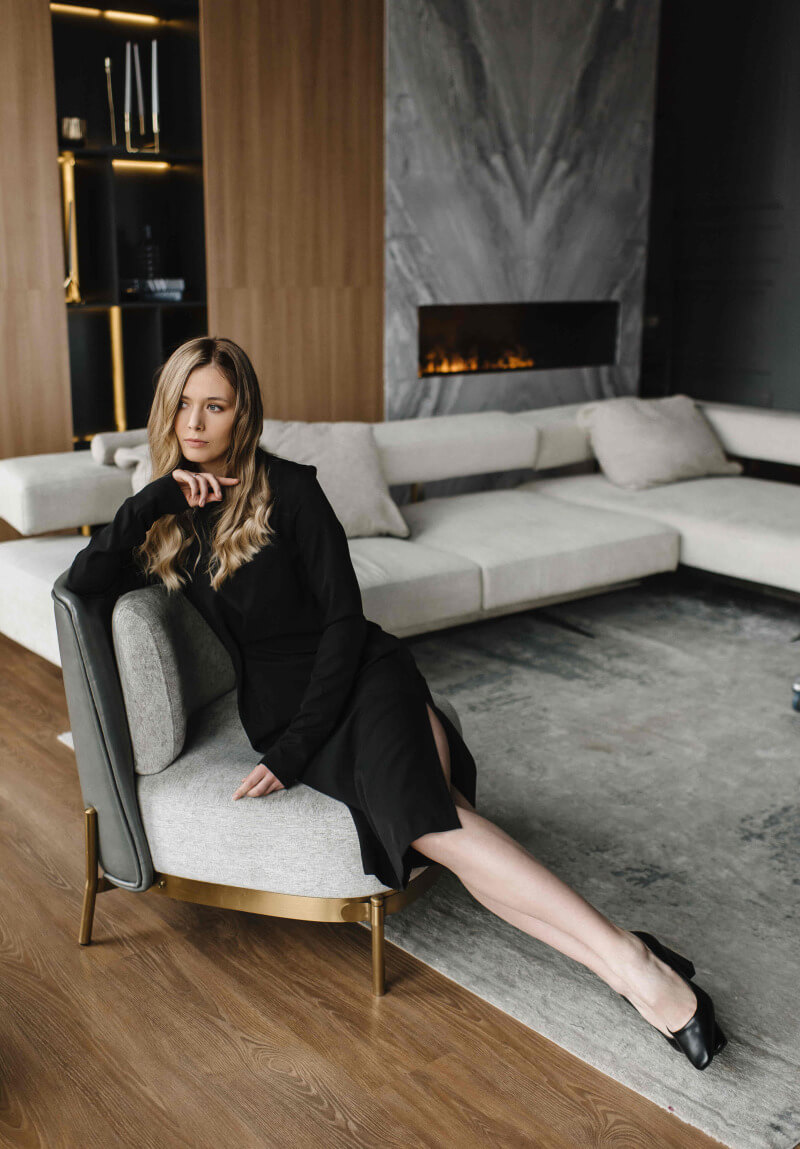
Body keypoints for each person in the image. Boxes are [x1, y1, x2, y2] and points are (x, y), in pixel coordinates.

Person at [65, 336, 727, 1071]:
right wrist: (153, 497)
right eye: (183, 405)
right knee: (445, 822)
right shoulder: (170, 512)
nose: (195, 423)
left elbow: (344, 623)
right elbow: (81, 582)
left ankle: (636, 970)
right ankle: (632, 960)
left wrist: (295, 749)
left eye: (214, 406)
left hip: (360, 678)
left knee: (434, 824)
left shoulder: (291, 489)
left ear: (242, 413)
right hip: (282, 711)